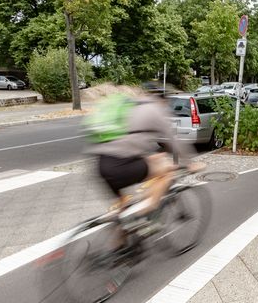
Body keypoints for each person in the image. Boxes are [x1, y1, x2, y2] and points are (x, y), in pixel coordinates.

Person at [85, 83, 203, 218]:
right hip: (120, 166)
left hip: (102, 164)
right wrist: (190, 163)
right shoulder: (155, 109)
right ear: (163, 100)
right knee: (167, 173)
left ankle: (121, 234)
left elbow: (129, 142)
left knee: (123, 213)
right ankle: (145, 219)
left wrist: (153, 157)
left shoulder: (130, 106)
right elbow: (174, 141)